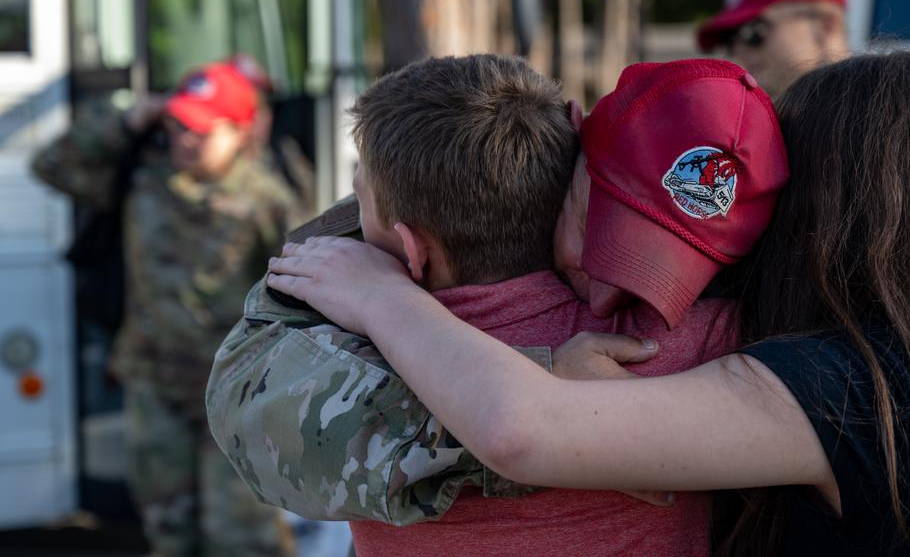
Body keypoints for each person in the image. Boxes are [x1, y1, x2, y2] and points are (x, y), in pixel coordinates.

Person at [266, 52, 910, 556]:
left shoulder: (843, 385)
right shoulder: (723, 333)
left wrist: (376, 287)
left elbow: (523, 427)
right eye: (607, 233)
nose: (614, 292)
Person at [32, 61, 302, 556]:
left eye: (201, 129)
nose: (185, 139)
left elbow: (304, 295)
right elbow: (51, 165)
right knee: (168, 531)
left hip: (233, 393)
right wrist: (131, 120)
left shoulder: (267, 200)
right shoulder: (144, 179)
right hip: (153, 383)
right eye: (178, 125)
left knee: (239, 537)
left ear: (240, 132)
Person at [697, 0, 850, 98]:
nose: (739, 52)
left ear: (826, 26)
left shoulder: (869, 116)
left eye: (753, 31)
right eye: (729, 42)